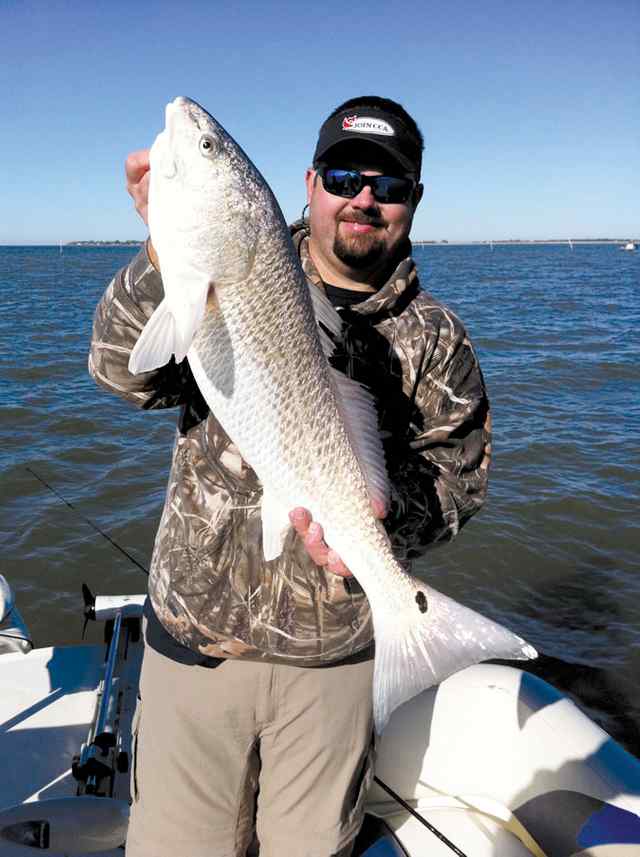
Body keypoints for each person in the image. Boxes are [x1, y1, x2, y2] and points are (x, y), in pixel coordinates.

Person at [89, 95, 491, 857]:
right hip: (196, 646)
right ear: (309, 182)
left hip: (335, 663)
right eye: (344, 175)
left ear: (414, 201)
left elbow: (459, 479)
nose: (363, 198)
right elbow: (121, 372)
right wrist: (162, 250)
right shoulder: (215, 269)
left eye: (390, 184)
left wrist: (376, 527)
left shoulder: (437, 339)